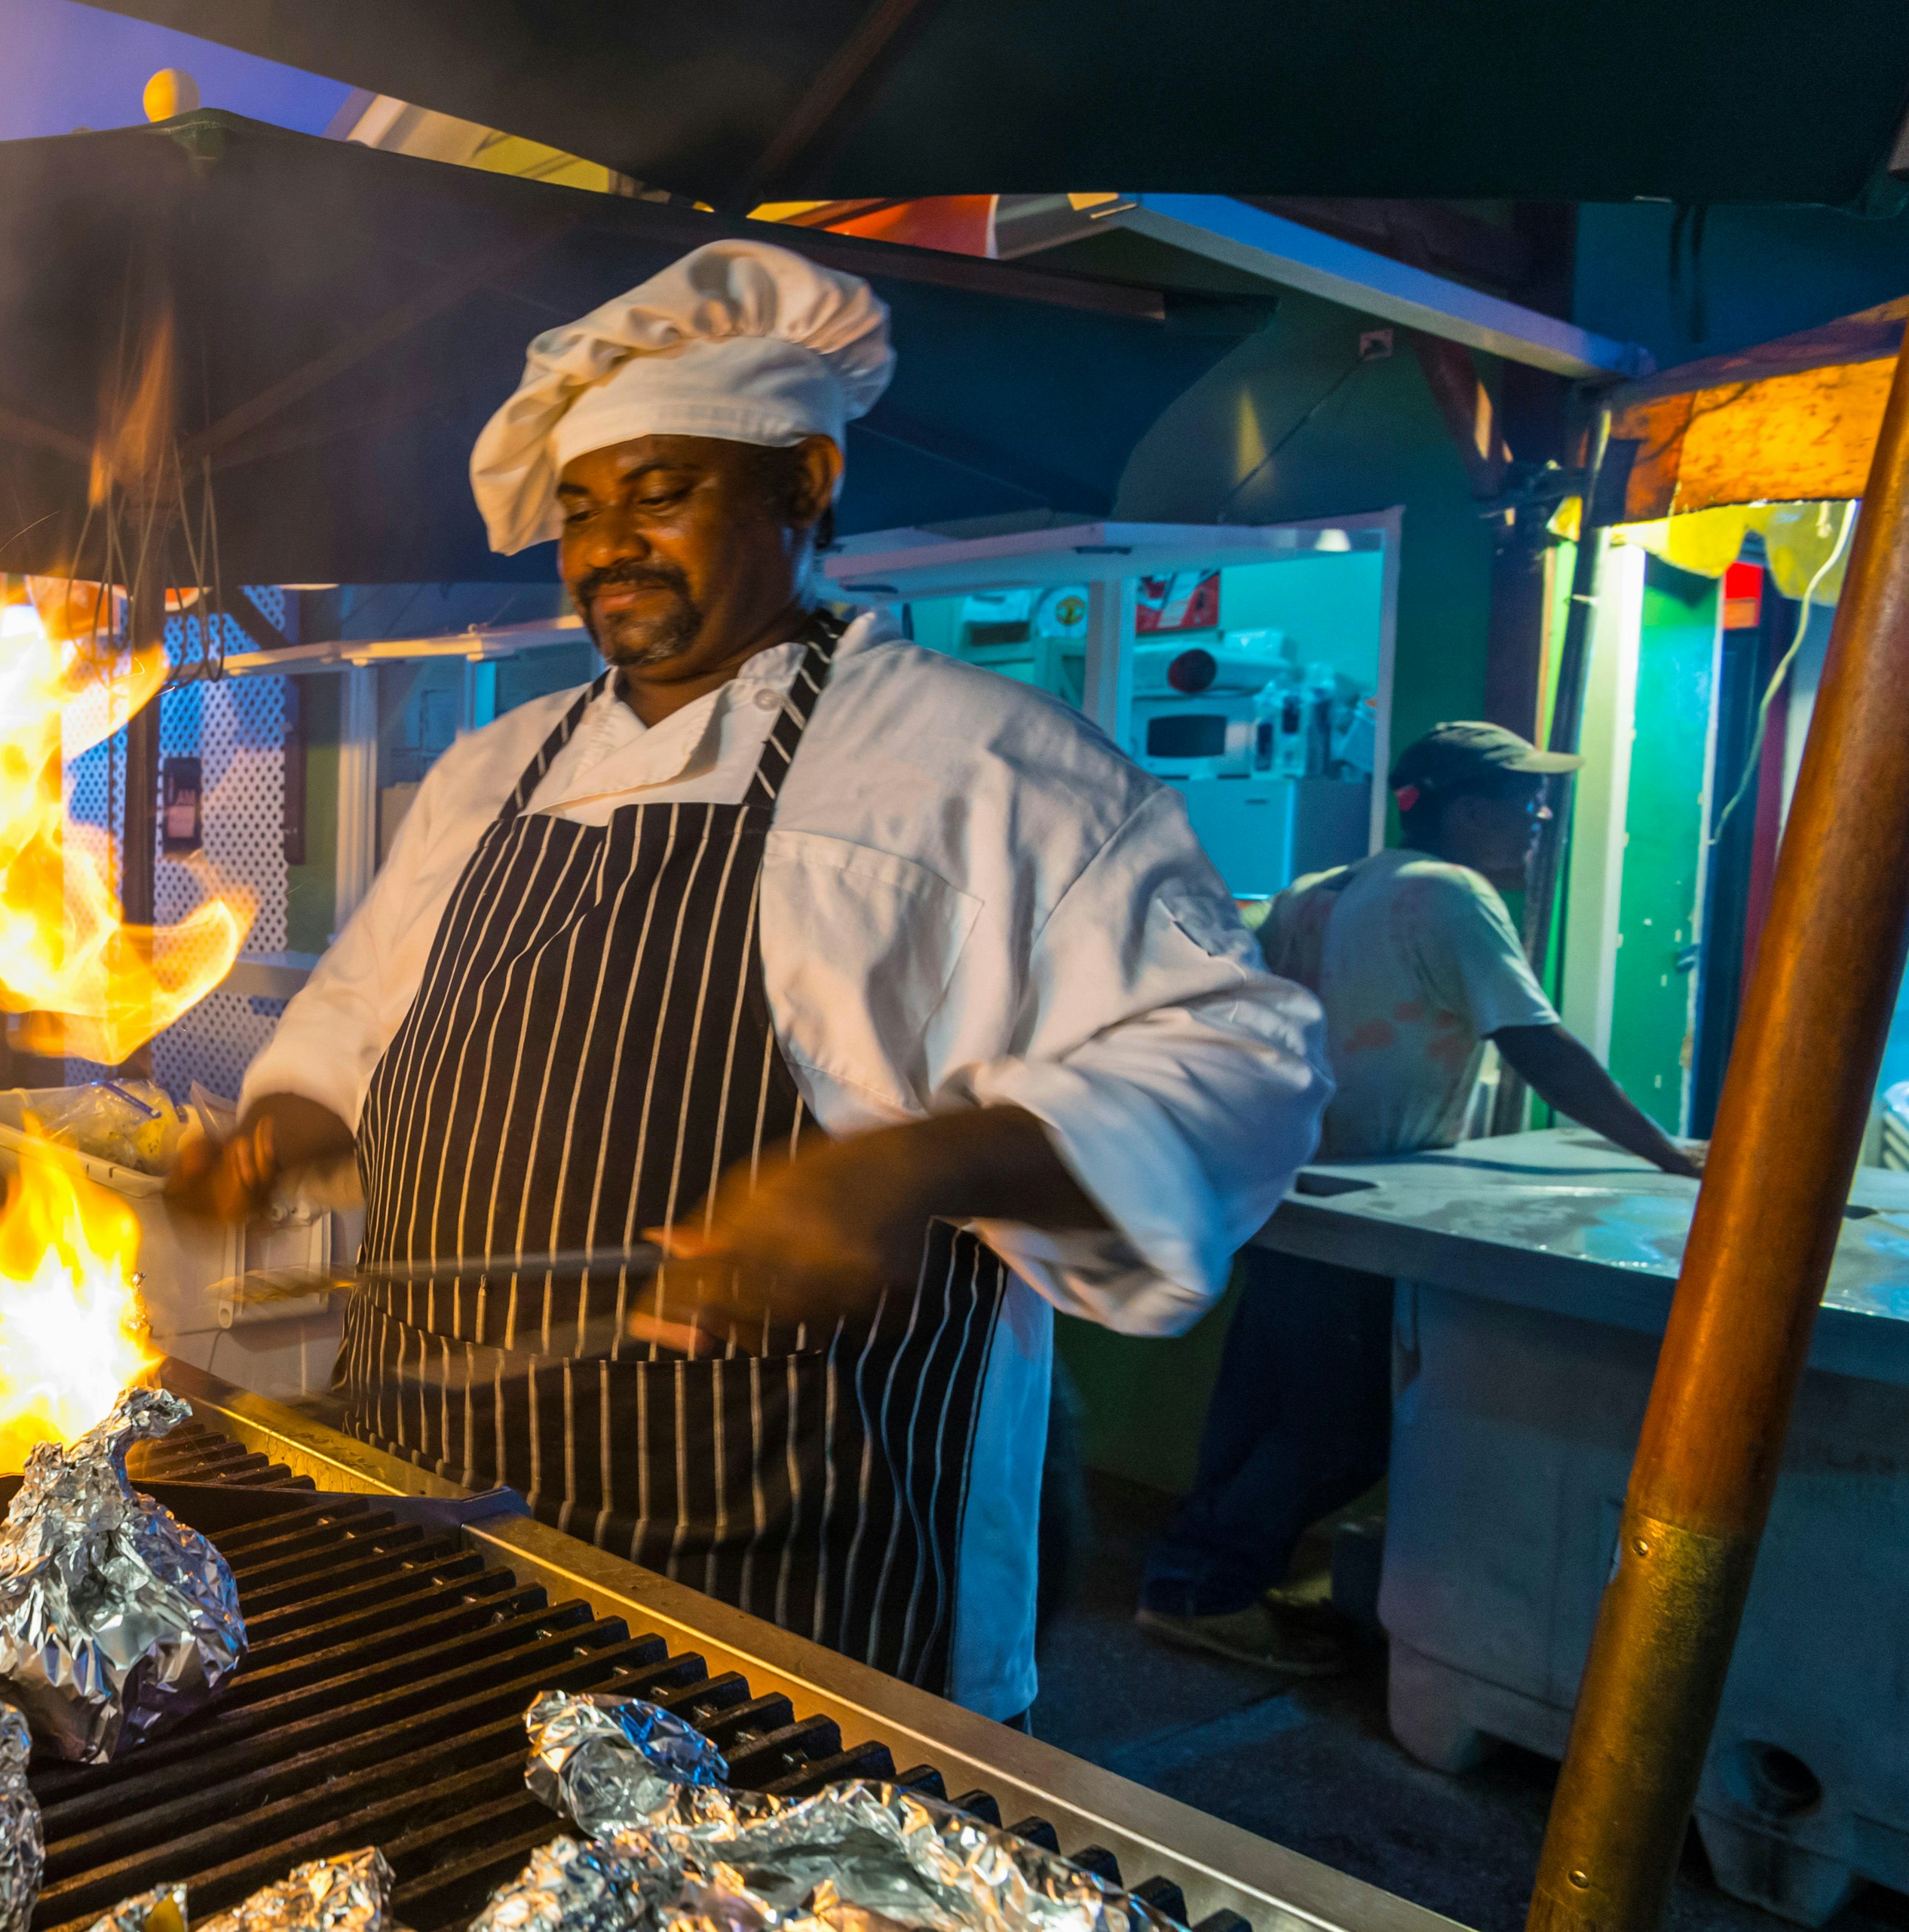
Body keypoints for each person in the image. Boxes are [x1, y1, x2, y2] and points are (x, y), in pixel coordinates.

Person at [173, 240, 1329, 1721]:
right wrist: (278, 1138)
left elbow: (1245, 1064)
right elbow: (350, 1034)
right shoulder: (485, 773)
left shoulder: (983, 769)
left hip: (782, 1613)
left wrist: (915, 1167)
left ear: (808, 483)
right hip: (431, 1540)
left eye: (664, 491)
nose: (607, 547)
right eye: (582, 510)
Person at [1135, 720, 1702, 1672]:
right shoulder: (1451, 894)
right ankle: (1202, 1587)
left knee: (1263, 1403)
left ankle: (1198, 1578)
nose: (1541, 820)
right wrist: (1666, 1154)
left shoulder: (1323, 888)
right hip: (1373, 1205)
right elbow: (1533, 1040)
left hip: (1289, 1186)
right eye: (1526, 803)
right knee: (1347, 1427)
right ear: (1471, 809)